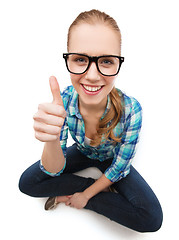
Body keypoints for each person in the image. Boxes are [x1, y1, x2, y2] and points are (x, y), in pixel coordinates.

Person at [19, 9, 163, 232]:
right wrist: (52, 140)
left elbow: (120, 168)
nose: (93, 75)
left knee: (151, 218)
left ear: (118, 63)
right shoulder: (65, 100)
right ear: (68, 58)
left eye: (106, 61)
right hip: (83, 152)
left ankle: (90, 194)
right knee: (26, 183)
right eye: (80, 59)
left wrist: (85, 197)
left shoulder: (131, 110)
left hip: (111, 160)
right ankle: (97, 189)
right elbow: (55, 169)